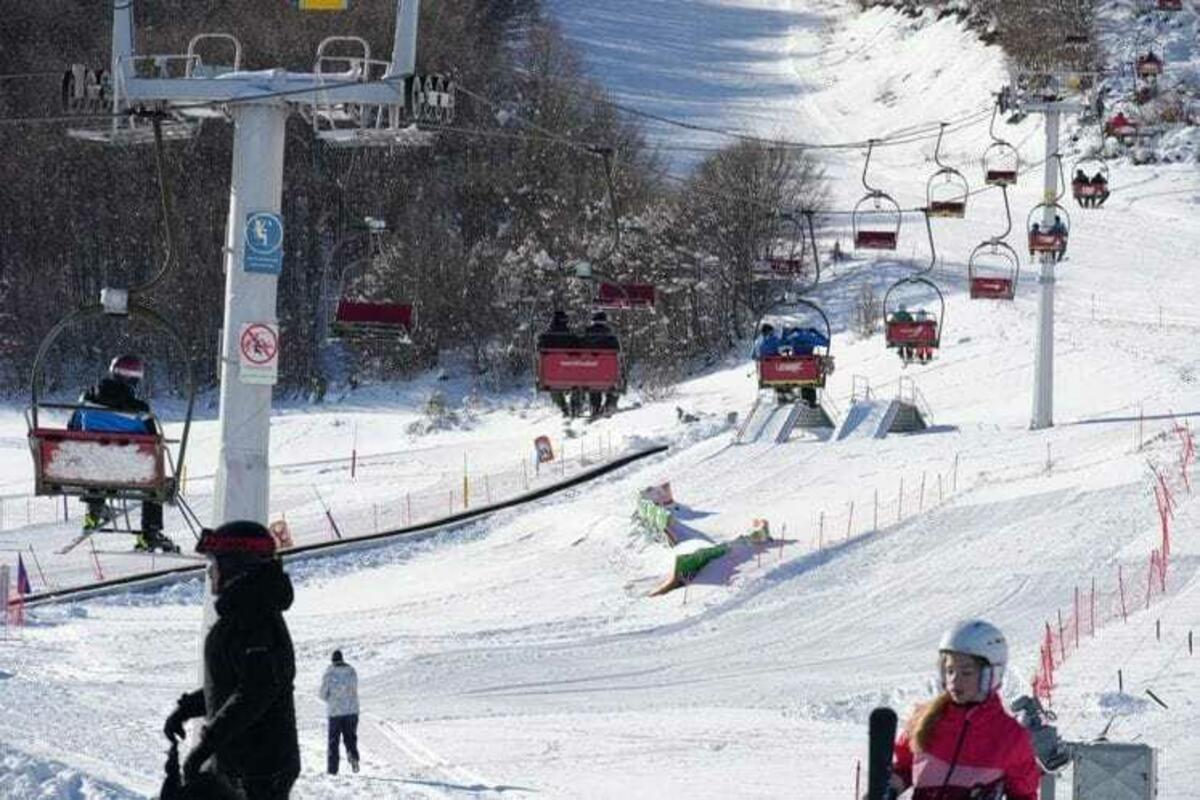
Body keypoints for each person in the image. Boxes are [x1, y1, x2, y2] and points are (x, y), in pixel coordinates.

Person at [163, 521, 300, 800]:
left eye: (215, 563)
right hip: (242, 765)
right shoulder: (245, 612)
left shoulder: (255, 617)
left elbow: (256, 692)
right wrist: (187, 709)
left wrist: (207, 744)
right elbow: (231, 685)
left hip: (258, 772)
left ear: (235, 565)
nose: (210, 572)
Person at [886, 620, 1040, 800]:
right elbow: (904, 767)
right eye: (950, 670)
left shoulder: (1010, 737)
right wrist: (887, 790)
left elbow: (1023, 794)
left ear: (990, 675)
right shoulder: (925, 719)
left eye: (966, 672)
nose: (954, 680)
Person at [67, 354, 169, 552]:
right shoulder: (139, 409)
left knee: (94, 456)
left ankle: (94, 510)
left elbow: (73, 428)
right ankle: (150, 532)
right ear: (135, 379)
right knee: (154, 480)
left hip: (91, 469)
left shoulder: (86, 399)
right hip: (129, 471)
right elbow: (152, 442)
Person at [319, 649, 361, 775]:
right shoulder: (351, 671)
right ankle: (353, 755)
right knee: (350, 737)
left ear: (333, 660)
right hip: (352, 711)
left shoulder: (329, 673)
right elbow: (354, 688)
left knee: (334, 741)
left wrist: (331, 698)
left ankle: (332, 770)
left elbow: (322, 694)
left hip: (335, 713)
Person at [537, 311, 577, 418]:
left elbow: (540, 348)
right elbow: (577, 349)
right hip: (569, 369)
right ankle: (575, 405)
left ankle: (563, 406)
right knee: (577, 383)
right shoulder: (570, 335)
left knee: (553, 386)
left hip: (553, 372)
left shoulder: (547, 336)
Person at [583, 311, 620, 418]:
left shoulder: (586, 335)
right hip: (606, 369)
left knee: (594, 384)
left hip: (590, 368)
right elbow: (616, 349)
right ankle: (610, 403)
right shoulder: (610, 336)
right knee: (614, 382)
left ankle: (595, 406)